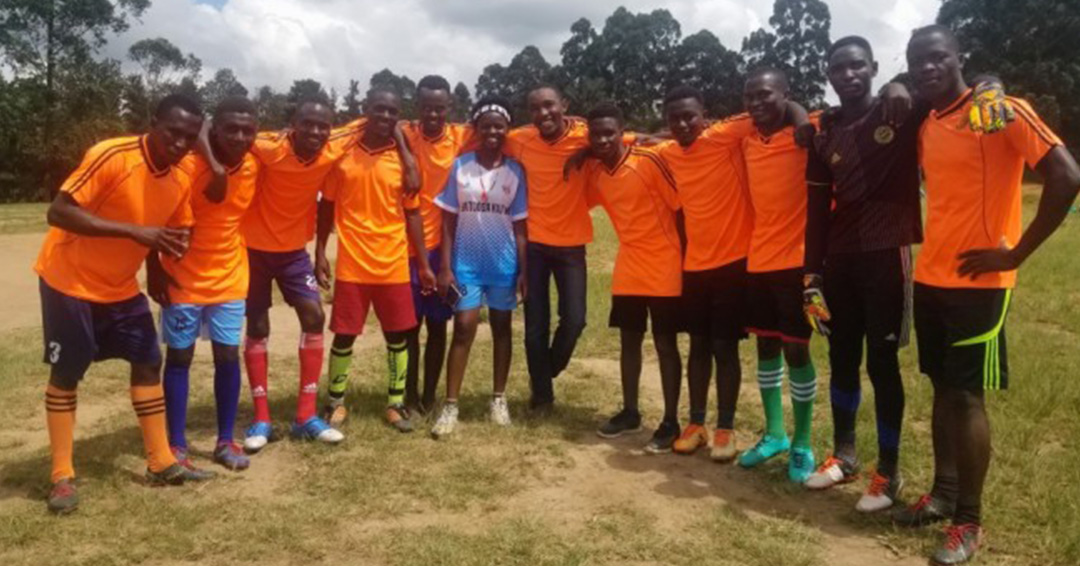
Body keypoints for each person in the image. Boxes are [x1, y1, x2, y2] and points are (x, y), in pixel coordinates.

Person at [803, 35, 1014, 510]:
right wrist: (810, 277)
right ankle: (844, 456)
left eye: (858, 66)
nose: (848, 75)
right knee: (840, 358)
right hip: (839, 260)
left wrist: (991, 87)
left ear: (874, 67)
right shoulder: (823, 130)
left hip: (888, 255)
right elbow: (816, 212)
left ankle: (888, 472)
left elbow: (964, 83)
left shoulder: (903, 109)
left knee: (881, 365)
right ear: (829, 76)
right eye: (838, 68)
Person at [898, 25, 1079, 565]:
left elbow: (1067, 175)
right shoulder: (926, 123)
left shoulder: (1002, 111)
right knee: (940, 389)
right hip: (930, 276)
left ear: (959, 58)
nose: (928, 68)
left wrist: (1016, 254)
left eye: (937, 58)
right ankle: (943, 493)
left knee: (965, 396)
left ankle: (968, 522)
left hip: (981, 283)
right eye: (917, 60)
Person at [35, 94, 204, 514]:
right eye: (173, 132)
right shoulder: (112, 154)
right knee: (68, 372)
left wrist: (163, 268)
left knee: (148, 361)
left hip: (121, 287)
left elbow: (168, 231)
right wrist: (135, 233)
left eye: (189, 136)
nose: (180, 143)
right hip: (68, 281)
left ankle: (161, 462)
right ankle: (61, 476)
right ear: (153, 123)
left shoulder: (182, 176)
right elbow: (58, 213)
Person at [240, 98, 358, 450]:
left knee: (314, 314)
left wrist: (320, 251)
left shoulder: (333, 146)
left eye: (324, 126)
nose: (316, 132)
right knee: (258, 325)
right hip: (253, 250)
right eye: (308, 124)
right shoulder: (267, 146)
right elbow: (216, 133)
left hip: (293, 253)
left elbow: (383, 122)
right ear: (293, 124)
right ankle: (261, 418)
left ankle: (305, 416)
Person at [648, 85, 759, 460]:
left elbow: (782, 108)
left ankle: (726, 427)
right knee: (697, 346)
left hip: (734, 262)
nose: (681, 124)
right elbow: (633, 141)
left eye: (689, 116)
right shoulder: (667, 152)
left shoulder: (725, 136)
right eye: (673, 119)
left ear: (705, 115)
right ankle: (696, 424)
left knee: (724, 347)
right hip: (694, 266)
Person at [153, 96, 260, 475]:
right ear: (213, 129)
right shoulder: (187, 164)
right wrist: (155, 269)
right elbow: (159, 219)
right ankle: (177, 444)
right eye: (230, 128)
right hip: (182, 278)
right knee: (179, 358)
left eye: (248, 130)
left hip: (231, 277)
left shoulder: (252, 165)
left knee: (227, 357)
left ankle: (224, 441)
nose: (240, 136)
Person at [316, 89, 432, 434]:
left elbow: (413, 215)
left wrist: (424, 264)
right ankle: (335, 401)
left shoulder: (404, 162)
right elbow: (326, 207)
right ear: (365, 110)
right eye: (378, 110)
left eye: (392, 112)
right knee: (345, 335)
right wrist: (320, 251)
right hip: (353, 262)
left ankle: (395, 404)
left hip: (393, 261)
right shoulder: (344, 156)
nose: (384, 117)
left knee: (398, 335)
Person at [728, 69, 819, 484]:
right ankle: (775, 434)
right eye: (749, 96)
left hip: (797, 262)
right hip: (758, 260)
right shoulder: (746, 138)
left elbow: (813, 115)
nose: (756, 102)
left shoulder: (807, 132)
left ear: (786, 94)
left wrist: (800, 120)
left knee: (797, 350)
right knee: (765, 347)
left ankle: (802, 442)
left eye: (765, 94)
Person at [581, 103, 685, 454]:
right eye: (596, 134)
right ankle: (630, 412)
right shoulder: (596, 173)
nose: (603, 139)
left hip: (665, 261)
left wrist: (687, 258)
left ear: (622, 130)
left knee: (665, 343)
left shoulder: (648, 161)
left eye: (610, 132)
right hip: (629, 263)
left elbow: (680, 207)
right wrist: (576, 157)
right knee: (629, 340)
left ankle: (671, 421)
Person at [430, 96, 528, 438]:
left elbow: (519, 226)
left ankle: (498, 399)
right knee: (464, 328)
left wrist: (524, 271)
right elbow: (447, 220)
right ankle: (451, 405)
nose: (492, 132)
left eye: (499, 126)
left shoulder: (515, 171)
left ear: (507, 130)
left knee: (502, 330)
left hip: (503, 264)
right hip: (466, 263)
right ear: (477, 129)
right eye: (486, 126)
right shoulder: (460, 166)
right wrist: (445, 267)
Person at [505, 86, 590, 413]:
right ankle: (542, 396)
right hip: (534, 246)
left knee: (575, 320)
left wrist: (588, 150)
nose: (543, 113)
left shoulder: (585, 135)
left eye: (549, 105)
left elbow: (629, 139)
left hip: (571, 246)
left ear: (564, 104)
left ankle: (546, 371)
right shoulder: (520, 139)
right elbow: (481, 134)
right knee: (535, 325)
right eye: (535, 108)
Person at [400, 75, 475, 417]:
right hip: (405, 247)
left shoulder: (461, 136)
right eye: (427, 108)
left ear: (450, 109)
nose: (433, 115)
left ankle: (430, 395)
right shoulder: (403, 131)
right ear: (417, 107)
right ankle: (409, 396)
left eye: (440, 109)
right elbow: (365, 125)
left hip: (443, 247)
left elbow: (503, 132)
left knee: (438, 325)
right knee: (409, 326)